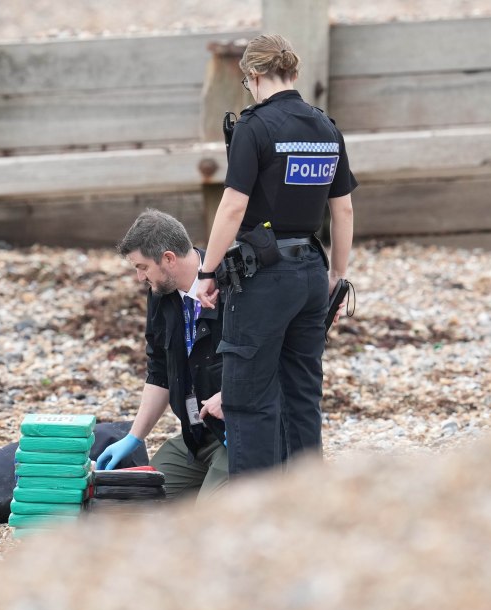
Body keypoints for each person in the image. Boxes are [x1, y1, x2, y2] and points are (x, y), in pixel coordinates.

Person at [196, 34, 356, 476]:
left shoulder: (254, 127)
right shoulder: (326, 127)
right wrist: (336, 277)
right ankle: (305, 504)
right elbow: (341, 209)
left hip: (264, 277)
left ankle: (256, 512)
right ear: (295, 73)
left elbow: (232, 206)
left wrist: (207, 272)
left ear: (253, 75)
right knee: (303, 395)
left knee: (248, 400)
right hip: (311, 271)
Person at [97, 209, 228, 501]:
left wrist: (233, 393)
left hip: (240, 431)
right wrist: (134, 437)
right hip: (198, 434)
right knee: (139, 500)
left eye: (142, 267)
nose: (139, 276)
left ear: (168, 258)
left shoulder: (233, 282)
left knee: (214, 520)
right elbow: (159, 371)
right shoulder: (160, 292)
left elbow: (274, 355)